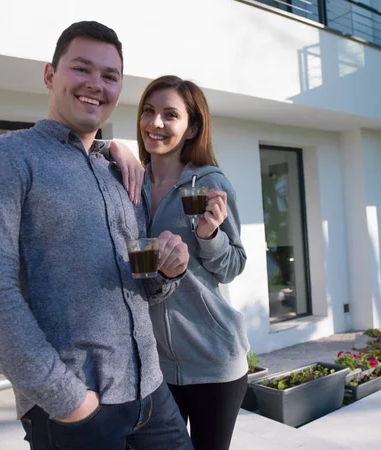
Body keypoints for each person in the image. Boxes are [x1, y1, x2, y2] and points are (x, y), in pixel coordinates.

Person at [0, 22, 193, 450]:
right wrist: (69, 401)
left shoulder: (120, 172)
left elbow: (140, 289)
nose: (95, 85)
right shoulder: (2, 160)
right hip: (77, 413)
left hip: (152, 394)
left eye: (110, 76)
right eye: (82, 69)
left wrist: (167, 272)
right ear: (50, 75)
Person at [108, 75, 250, 450]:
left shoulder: (209, 184)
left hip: (213, 361)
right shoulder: (128, 181)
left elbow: (234, 265)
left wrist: (209, 236)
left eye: (170, 115)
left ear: (192, 128)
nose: (156, 123)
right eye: (148, 112)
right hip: (153, 364)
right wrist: (112, 147)